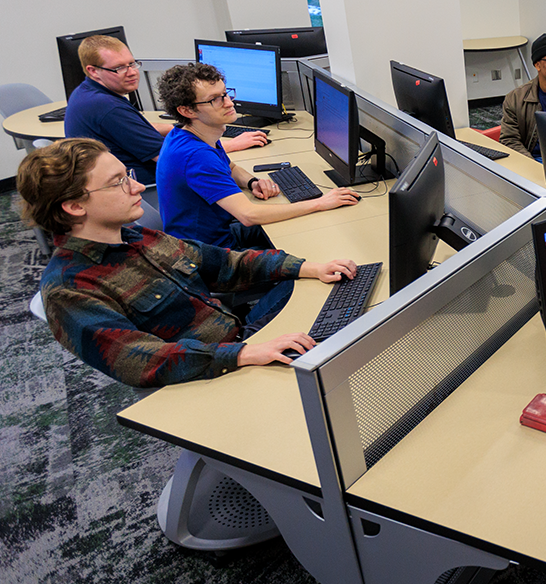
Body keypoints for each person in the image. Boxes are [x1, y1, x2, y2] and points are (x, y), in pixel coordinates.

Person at [18, 137, 356, 388]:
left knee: (344, 290)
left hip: (239, 340)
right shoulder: (69, 288)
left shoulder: (136, 237)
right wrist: (242, 354)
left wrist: (306, 268)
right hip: (210, 375)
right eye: (118, 183)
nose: (137, 187)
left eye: (128, 175)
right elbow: (140, 360)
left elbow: (224, 264)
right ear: (75, 206)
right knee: (343, 362)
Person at [154, 62, 360, 250]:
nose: (228, 103)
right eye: (214, 100)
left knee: (299, 228)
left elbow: (230, 167)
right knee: (307, 251)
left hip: (212, 236)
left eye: (225, 94)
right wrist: (320, 203)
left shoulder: (189, 133)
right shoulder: (196, 156)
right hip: (210, 256)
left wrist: (252, 182)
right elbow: (248, 215)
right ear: (187, 110)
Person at [64, 35, 267, 185]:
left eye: (132, 64)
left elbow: (134, 128)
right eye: (119, 68)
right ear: (93, 71)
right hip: (148, 190)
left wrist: (177, 127)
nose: (132, 72)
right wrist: (232, 145)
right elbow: (173, 157)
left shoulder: (87, 93)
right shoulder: (106, 107)